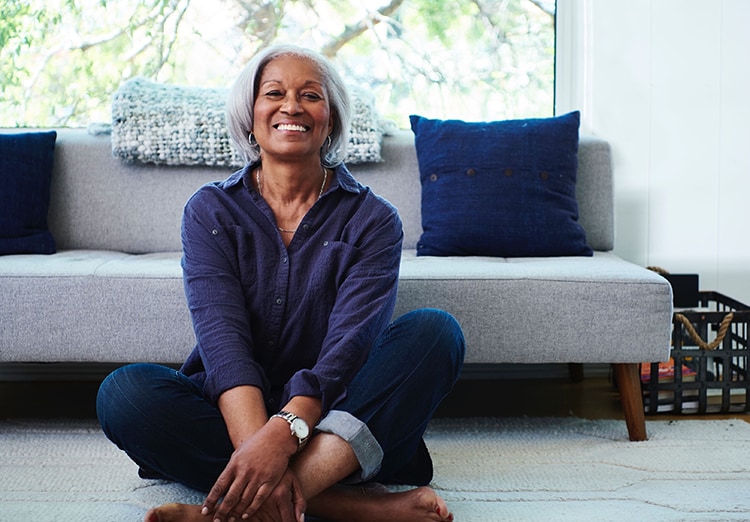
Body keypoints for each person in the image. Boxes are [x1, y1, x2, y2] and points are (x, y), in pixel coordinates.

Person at [96, 43, 465, 522]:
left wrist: (286, 429)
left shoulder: (374, 219)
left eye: (310, 95)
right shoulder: (209, 210)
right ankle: (348, 508)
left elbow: (347, 351)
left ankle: (228, 511)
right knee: (124, 394)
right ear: (250, 116)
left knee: (436, 332)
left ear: (329, 120)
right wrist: (262, 438)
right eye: (274, 93)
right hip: (232, 411)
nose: (291, 106)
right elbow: (223, 346)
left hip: (338, 413)